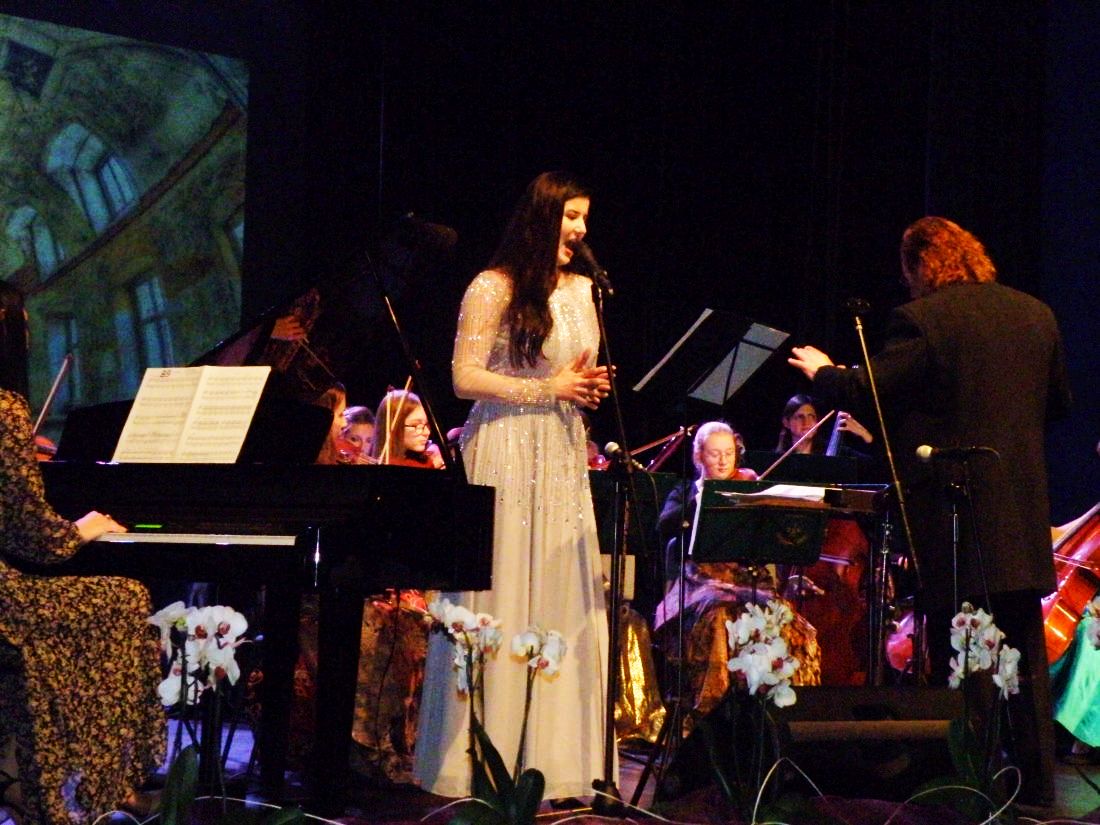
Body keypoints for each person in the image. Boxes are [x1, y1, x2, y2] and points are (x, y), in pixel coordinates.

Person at [788, 215, 1072, 805]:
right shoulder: (1036, 314)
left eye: (908, 272)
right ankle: (1039, 788)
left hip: (956, 513)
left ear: (921, 263)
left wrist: (824, 374)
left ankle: (966, 783)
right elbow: (1057, 406)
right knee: (1025, 658)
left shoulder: (923, 319)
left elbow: (871, 388)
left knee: (959, 655)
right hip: (1019, 515)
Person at [414, 171, 612, 801]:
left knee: (557, 590)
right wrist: (546, 388)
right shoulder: (491, 286)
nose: (580, 229)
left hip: (560, 449)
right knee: (499, 588)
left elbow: (572, 370)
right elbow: (463, 377)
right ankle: (481, 756)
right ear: (541, 217)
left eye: (585, 217)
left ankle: (554, 762)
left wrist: (583, 387)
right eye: (571, 216)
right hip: (503, 447)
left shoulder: (584, 290)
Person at [0, 282, 165, 824]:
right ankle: (106, 782)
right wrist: (83, 528)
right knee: (124, 599)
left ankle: (24, 770)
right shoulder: (4, 409)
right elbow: (33, 537)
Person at [653, 421, 820, 729]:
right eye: (714, 454)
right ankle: (713, 720)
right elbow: (665, 526)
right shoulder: (685, 491)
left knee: (791, 624)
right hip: (698, 584)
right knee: (720, 620)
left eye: (729, 453)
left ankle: (781, 717)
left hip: (745, 582)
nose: (722, 461)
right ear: (699, 456)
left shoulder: (747, 485)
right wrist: (700, 499)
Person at [775, 393, 873, 455]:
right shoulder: (776, 459)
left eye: (811, 416)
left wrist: (863, 433)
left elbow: (873, 461)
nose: (807, 422)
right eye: (800, 416)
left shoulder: (835, 453)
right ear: (786, 422)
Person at [369, 389, 444, 468]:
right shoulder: (389, 462)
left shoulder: (423, 460)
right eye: (415, 425)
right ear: (395, 427)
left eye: (426, 424)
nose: (427, 432)